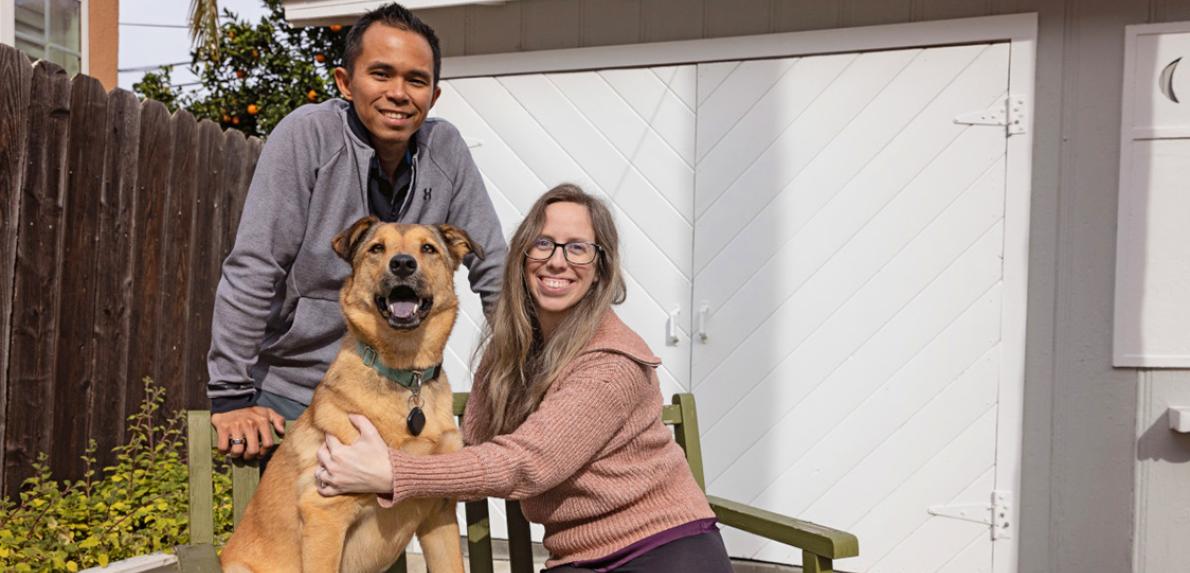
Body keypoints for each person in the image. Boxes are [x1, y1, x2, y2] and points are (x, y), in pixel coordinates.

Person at [312, 184, 735, 572]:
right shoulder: (510, 350)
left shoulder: (612, 364)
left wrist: (394, 473)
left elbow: (528, 463)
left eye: (578, 248)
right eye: (544, 243)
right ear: (522, 256)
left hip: (661, 552)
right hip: (579, 559)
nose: (557, 260)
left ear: (601, 266)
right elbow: (478, 448)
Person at [206, 3, 507, 460]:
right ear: (346, 83)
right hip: (296, 391)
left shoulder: (445, 149)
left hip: (399, 391)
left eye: (416, 80)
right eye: (381, 74)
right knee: (300, 531)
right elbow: (255, 265)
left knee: (388, 528)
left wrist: (528, 374)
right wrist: (230, 395)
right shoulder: (308, 136)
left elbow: (495, 273)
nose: (399, 93)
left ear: (434, 95)